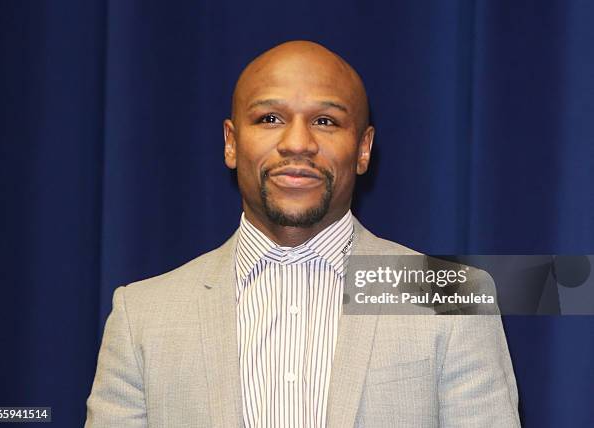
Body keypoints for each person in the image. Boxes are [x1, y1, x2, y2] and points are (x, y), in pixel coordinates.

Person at [86, 40, 520, 427]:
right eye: (270, 118)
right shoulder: (141, 315)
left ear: (363, 149)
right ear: (231, 143)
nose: (297, 143)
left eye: (326, 121)